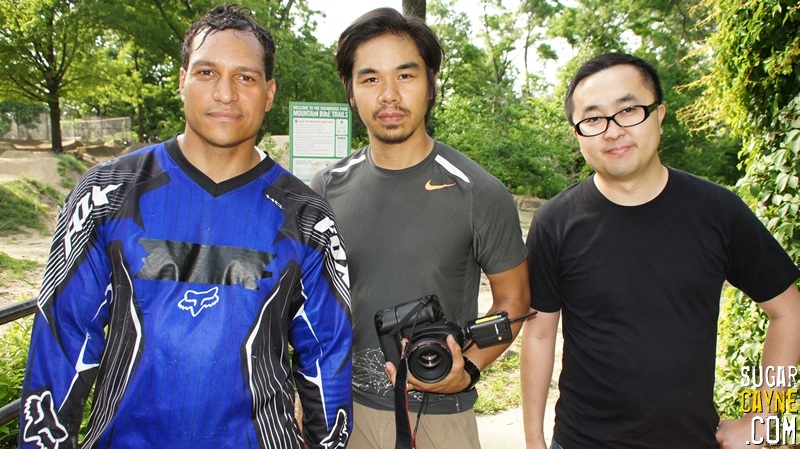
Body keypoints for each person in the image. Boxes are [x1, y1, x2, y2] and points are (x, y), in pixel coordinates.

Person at [18, 5, 352, 449]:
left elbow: (327, 356)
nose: (225, 94)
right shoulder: (105, 194)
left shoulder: (308, 217)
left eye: (245, 77)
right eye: (207, 72)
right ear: (181, 80)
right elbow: (63, 338)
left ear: (269, 92)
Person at [521, 51, 800, 449]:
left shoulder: (718, 211)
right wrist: (534, 440)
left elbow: (790, 311)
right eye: (593, 119)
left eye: (628, 110)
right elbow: (539, 335)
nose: (613, 131)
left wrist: (763, 416)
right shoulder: (555, 222)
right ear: (578, 133)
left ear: (659, 115)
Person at [310, 7, 530, 449]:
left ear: (431, 84)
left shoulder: (478, 192)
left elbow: (514, 298)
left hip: (437, 416)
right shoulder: (326, 187)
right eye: (370, 79)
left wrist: (468, 369)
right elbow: (312, 303)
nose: (389, 95)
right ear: (350, 90)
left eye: (405, 76)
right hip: (341, 410)